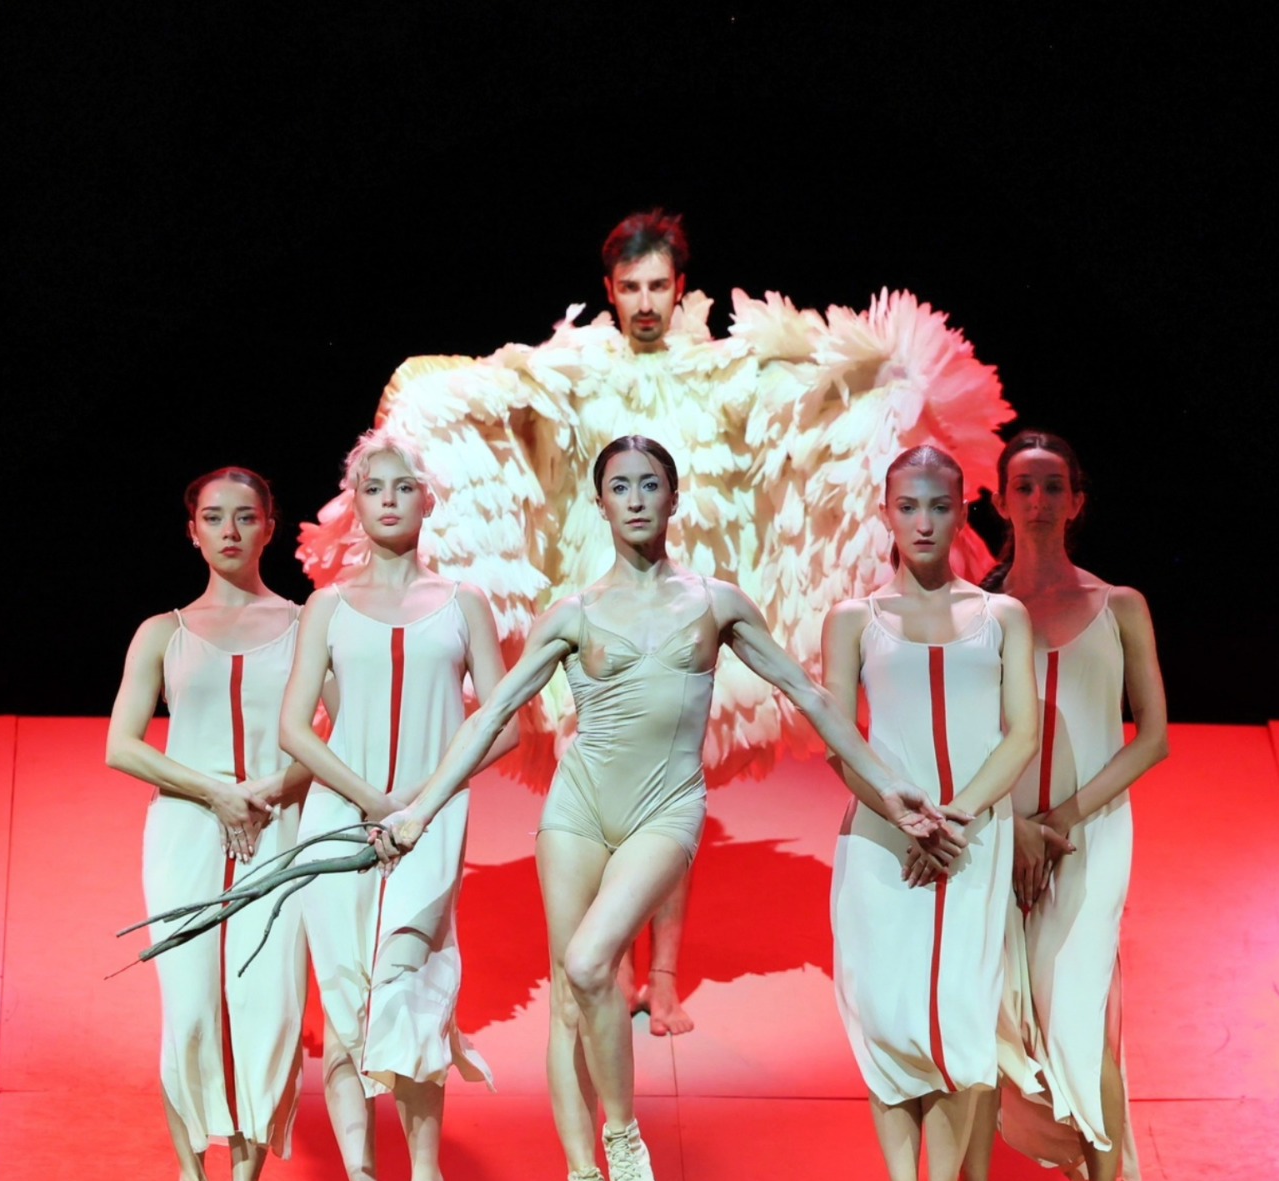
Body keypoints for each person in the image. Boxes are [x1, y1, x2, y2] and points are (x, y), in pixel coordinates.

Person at [299, 209, 1013, 1035]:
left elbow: (794, 394)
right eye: (630, 287)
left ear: (681, 289)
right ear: (609, 290)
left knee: (677, 773)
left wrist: (881, 377)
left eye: (658, 286)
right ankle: (609, 963)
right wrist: (418, 388)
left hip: (687, 583)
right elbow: (505, 387)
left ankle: (663, 976)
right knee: (595, 759)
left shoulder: (716, 367)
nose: (644, 301)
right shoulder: (579, 364)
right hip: (594, 577)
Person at [372, 435, 965, 1181]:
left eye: (650, 485)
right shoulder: (575, 612)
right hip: (578, 811)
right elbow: (493, 715)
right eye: (620, 487)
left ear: (674, 499)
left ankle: (622, 1135)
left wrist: (888, 787)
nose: (637, 499)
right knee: (570, 999)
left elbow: (810, 695)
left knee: (591, 961)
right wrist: (420, 808)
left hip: (666, 808)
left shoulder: (716, 603)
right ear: (601, 504)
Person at [278, 430, 515, 1181]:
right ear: (355, 502)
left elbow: (504, 723)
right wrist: (374, 803)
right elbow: (296, 729)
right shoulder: (327, 607)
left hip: (432, 820)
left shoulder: (463, 604)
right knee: (346, 999)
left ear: (427, 500)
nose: (388, 500)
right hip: (340, 819)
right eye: (373, 487)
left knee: (408, 990)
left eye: (402, 487)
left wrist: (421, 798)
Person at [822, 445, 1039, 1181]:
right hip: (884, 845)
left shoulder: (1002, 617)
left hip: (972, 842)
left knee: (958, 1013)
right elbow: (840, 741)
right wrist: (905, 817)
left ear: (961, 513)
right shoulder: (854, 619)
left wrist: (956, 819)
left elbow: (1021, 734)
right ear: (884, 513)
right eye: (908, 506)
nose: (923, 522)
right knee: (886, 1011)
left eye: (939, 506)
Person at [964, 431, 1168, 1181]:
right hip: (999, 834)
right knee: (990, 1011)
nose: (1039, 501)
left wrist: (1057, 821)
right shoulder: (979, 612)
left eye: (1054, 486)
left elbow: (1152, 737)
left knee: (1077, 1004)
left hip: (1090, 835)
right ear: (1001, 501)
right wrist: (1010, 825)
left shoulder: (1120, 607)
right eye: (1024, 486)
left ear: (1077, 501)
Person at [106, 466, 308, 1181]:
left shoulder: (305, 624)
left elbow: (341, 735)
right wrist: (215, 791)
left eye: (245, 516)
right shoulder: (163, 632)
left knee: (267, 1003)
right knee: (190, 1007)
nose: (230, 529)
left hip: (278, 823)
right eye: (214, 516)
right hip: (187, 827)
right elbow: (123, 745)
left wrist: (270, 788)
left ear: (269, 527)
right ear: (192, 531)